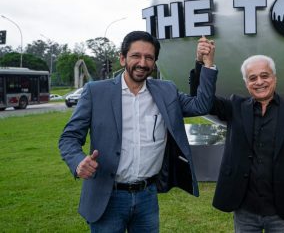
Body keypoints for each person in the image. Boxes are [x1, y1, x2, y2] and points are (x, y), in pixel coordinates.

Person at [59, 31, 217, 232]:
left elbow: (201, 105)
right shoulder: (96, 92)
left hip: (147, 197)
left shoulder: (166, 91)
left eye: (149, 57)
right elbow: (69, 137)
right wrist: (77, 161)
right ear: (122, 58)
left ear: (154, 62)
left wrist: (206, 64)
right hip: (107, 197)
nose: (142, 63)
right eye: (136, 56)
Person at [192, 38, 284, 232]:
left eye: (264, 75)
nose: (259, 82)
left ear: (275, 77)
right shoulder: (235, 107)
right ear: (246, 83)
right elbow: (202, 100)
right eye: (252, 78)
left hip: (282, 209)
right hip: (245, 210)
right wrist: (203, 64)